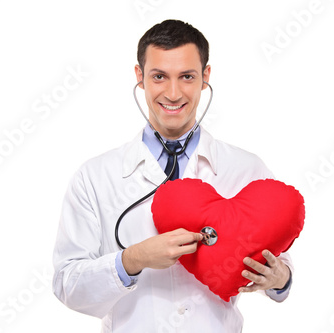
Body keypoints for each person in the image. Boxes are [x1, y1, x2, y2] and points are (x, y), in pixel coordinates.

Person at [53, 19, 293, 332]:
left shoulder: (246, 168)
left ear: (206, 78)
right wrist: (133, 259)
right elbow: (67, 284)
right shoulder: (95, 176)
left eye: (187, 77)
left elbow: (281, 264)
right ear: (140, 78)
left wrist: (279, 280)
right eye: (159, 77)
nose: (173, 92)